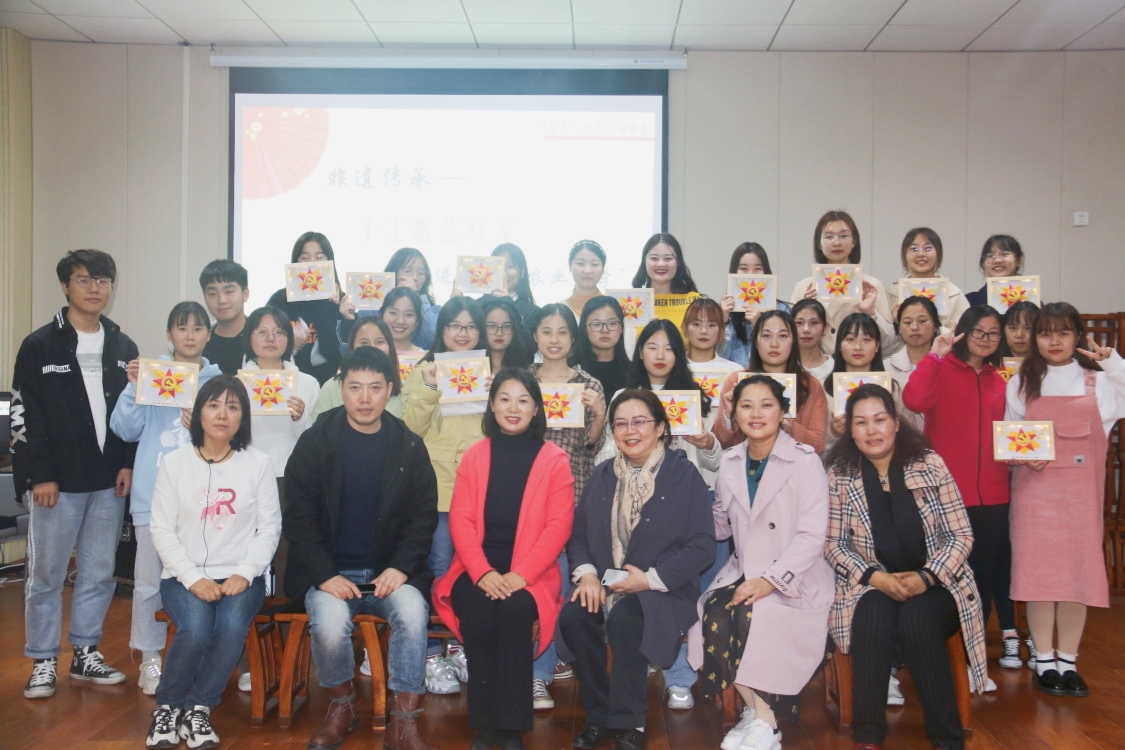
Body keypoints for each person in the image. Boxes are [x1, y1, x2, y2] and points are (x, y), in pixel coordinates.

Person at [283, 347, 439, 750]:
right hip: (332, 574)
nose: (365, 398)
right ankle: (342, 705)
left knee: (412, 613)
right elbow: (298, 516)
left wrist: (400, 568)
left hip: (390, 572)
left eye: (375, 387)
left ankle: (404, 720)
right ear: (341, 388)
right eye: (355, 387)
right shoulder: (316, 442)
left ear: (390, 390)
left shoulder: (408, 445)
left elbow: (423, 516)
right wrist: (324, 574)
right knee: (329, 624)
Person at [824, 384, 988, 750]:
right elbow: (833, 544)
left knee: (916, 618)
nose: (872, 430)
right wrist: (875, 577)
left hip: (938, 583)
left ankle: (947, 737)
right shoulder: (840, 474)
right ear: (850, 430)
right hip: (871, 582)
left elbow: (961, 535)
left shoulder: (930, 465)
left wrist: (927, 576)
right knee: (873, 617)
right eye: (861, 422)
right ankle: (868, 736)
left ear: (897, 423)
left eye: (879, 419)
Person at [559, 389, 715, 750]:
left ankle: (628, 721)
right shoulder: (602, 474)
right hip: (605, 580)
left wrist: (649, 579)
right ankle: (599, 715)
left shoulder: (683, 474)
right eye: (621, 424)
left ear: (660, 427)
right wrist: (587, 575)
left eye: (640, 422)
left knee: (626, 619)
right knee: (574, 617)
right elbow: (578, 534)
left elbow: (703, 545)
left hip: (662, 587)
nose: (630, 430)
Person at [14, 249, 137, 700]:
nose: (94, 289)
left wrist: (126, 463)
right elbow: (25, 416)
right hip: (56, 484)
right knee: (46, 575)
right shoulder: (40, 345)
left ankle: (86, 653)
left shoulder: (123, 347)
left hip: (108, 481)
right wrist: (39, 475)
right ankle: (43, 659)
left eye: (103, 280)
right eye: (84, 280)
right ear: (66, 286)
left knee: (99, 572)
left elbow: (133, 411)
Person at [689, 376, 834, 750]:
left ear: (783, 411)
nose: (756, 413)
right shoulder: (730, 462)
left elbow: (812, 536)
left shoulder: (805, 461)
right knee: (713, 611)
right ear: (734, 414)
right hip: (743, 571)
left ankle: (768, 724)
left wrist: (770, 581)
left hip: (795, 575)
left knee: (757, 612)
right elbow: (722, 525)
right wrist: (685, 509)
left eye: (766, 404)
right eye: (746, 405)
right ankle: (755, 712)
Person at [433, 370, 575, 750]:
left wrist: (520, 575)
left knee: (513, 614)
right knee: (479, 614)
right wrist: (482, 572)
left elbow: (558, 527)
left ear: (536, 408)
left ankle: (511, 725)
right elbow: (460, 520)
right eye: (505, 399)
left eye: (523, 400)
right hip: (475, 569)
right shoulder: (475, 456)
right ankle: (485, 721)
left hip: (532, 574)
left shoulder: (554, 460)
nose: (514, 408)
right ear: (492, 405)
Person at [144, 375, 281, 750]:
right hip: (182, 577)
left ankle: (199, 708)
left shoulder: (258, 464)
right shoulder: (174, 463)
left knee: (231, 626)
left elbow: (270, 528)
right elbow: (161, 529)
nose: (223, 414)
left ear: (243, 417)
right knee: (196, 628)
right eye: (214, 405)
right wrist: (192, 578)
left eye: (233, 407)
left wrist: (244, 573)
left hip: (241, 576)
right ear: (198, 413)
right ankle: (168, 707)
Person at [1004, 302, 1125, 697]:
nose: (1053, 341)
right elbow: (1009, 440)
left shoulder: (1100, 382)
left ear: (1077, 337)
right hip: (1033, 495)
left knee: (1077, 576)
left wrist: (1113, 362)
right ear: (1034, 338)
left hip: (1081, 501)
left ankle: (1068, 661)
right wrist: (1024, 456)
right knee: (1038, 577)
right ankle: (1043, 659)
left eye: (1063, 332)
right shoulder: (1020, 382)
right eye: (1045, 333)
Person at [110, 301, 222, 695]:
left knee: (203, 578)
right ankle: (151, 658)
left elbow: (232, 438)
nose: (189, 335)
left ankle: (199, 655)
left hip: (202, 500)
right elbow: (124, 429)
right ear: (169, 334)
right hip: (152, 496)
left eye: (197, 328)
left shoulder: (217, 382)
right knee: (147, 583)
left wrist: (203, 428)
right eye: (181, 328)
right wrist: (133, 386)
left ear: (208, 334)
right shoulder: (152, 374)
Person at [903, 305, 1016, 676]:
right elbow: (914, 401)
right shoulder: (941, 367)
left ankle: (972, 659)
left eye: (993, 333)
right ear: (964, 332)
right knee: (944, 578)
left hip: (995, 496)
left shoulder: (1002, 378)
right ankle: (937, 655)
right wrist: (935, 356)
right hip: (947, 496)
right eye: (979, 331)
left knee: (982, 578)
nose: (985, 339)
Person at [402, 296, 488, 693]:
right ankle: (432, 652)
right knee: (438, 567)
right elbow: (410, 428)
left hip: (479, 488)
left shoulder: (489, 371)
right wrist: (431, 386)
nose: (462, 333)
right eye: (455, 325)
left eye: (470, 326)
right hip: (437, 489)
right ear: (442, 329)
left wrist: (496, 395)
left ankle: (458, 642)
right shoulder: (423, 370)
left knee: (469, 570)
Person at [527, 304, 608, 709]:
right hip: (528, 496)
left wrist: (599, 414)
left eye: (562, 332)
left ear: (573, 339)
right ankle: (540, 667)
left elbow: (593, 445)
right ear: (536, 336)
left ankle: (545, 667)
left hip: (573, 494)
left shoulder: (588, 383)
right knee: (537, 583)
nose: (554, 339)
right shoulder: (523, 380)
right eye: (547, 331)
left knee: (562, 581)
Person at [713, 310, 828, 454]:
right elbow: (721, 442)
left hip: (794, 465)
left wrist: (786, 424)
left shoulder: (810, 385)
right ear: (755, 342)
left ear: (794, 342)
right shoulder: (736, 381)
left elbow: (818, 446)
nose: (774, 344)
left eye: (783, 336)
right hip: (745, 464)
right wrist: (729, 416)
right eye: (766, 336)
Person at [789, 210, 898, 356]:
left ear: (854, 241)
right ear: (819, 243)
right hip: (816, 364)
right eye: (829, 237)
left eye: (843, 236)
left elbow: (889, 342)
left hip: (857, 363)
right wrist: (806, 308)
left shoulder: (871, 286)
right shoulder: (803, 287)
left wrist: (870, 312)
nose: (837, 242)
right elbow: (790, 338)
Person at [266, 232, 344, 385]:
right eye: (305, 258)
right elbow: (261, 341)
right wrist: (288, 342)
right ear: (295, 262)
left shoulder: (341, 302)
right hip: (287, 384)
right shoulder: (280, 300)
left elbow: (335, 354)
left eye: (320, 257)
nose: (312, 264)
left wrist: (330, 307)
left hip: (329, 386)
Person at [312, 315, 402, 421]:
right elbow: (319, 427)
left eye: (379, 342)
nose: (372, 347)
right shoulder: (331, 387)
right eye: (364, 342)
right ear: (352, 346)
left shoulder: (406, 390)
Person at [718, 243, 792, 367]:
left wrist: (760, 326)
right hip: (734, 377)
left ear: (766, 272)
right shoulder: (723, 309)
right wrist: (722, 322)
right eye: (743, 268)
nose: (750, 274)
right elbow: (717, 359)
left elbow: (789, 355)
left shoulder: (781, 310)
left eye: (757, 269)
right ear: (734, 271)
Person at [885, 228, 969, 330]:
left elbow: (962, 333)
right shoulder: (890, 294)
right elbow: (881, 335)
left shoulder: (954, 294)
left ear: (939, 255)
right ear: (905, 255)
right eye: (914, 249)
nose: (921, 254)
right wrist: (896, 323)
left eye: (928, 248)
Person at [884, 296, 941, 429]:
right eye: (907, 322)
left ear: (935, 326)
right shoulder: (885, 368)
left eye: (922, 321)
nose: (914, 327)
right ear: (899, 328)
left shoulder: (948, 366)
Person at [631, 233, 701, 328]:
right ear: (644, 261)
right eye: (654, 258)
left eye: (668, 258)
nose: (661, 264)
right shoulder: (631, 303)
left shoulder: (694, 302)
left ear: (678, 262)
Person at [385, 247, 443, 350]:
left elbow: (433, 338)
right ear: (394, 272)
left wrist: (415, 296)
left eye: (420, 273)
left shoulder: (435, 310)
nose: (415, 278)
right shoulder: (377, 305)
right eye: (408, 271)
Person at [200, 259, 251, 375]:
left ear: (245, 294)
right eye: (212, 294)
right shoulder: (198, 340)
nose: (221, 300)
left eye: (229, 291)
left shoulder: (262, 340)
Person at [575, 296, 630, 401]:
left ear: (622, 328)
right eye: (596, 324)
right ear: (585, 329)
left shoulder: (634, 372)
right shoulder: (573, 372)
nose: (605, 330)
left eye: (612, 323)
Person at [492, 243, 539, 336]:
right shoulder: (478, 306)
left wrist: (508, 303)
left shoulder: (533, 312)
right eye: (498, 267)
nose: (504, 273)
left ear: (522, 272)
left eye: (510, 267)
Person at [965, 234, 1025, 307]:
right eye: (990, 256)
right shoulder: (969, 301)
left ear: (1019, 260)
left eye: (1004, 254)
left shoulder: (1032, 297)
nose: (997, 260)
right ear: (983, 264)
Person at [682, 297, 740, 372]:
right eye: (696, 324)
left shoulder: (735, 371)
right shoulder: (673, 369)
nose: (704, 331)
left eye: (711, 325)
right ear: (684, 328)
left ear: (721, 330)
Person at [481, 296, 533, 373]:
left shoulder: (526, 370)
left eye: (506, 326)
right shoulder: (471, 366)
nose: (499, 333)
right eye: (492, 326)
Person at [791, 299, 834, 385]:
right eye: (799, 322)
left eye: (814, 323)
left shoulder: (835, 367)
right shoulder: (783, 367)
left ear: (825, 328)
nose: (806, 329)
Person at [564, 240, 607, 321]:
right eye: (580, 263)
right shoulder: (559, 311)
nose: (587, 270)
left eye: (594, 264)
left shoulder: (613, 309)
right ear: (570, 266)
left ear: (603, 268)